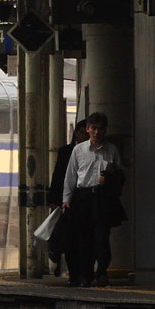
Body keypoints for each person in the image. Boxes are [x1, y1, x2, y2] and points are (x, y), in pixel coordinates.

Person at [61, 111, 125, 287]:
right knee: (83, 237)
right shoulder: (78, 150)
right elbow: (71, 176)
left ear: (105, 130)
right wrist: (66, 199)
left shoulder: (111, 150)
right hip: (83, 197)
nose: (97, 132)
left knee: (102, 236)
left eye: (101, 129)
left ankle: (102, 271)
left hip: (102, 198)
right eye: (94, 128)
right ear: (88, 129)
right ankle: (85, 274)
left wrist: (109, 180)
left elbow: (120, 176)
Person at [47, 119, 87, 278]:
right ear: (76, 133)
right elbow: (58, 176)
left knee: (83, 237)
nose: (86, 135)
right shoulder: (66, 152)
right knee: (68, 235)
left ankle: (82, 272)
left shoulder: (95, 151)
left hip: (84, 199)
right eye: (83, 132)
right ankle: (65, 266)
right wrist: (54, 199)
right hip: (67, 201)